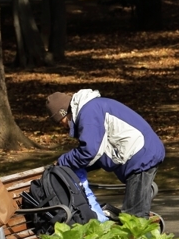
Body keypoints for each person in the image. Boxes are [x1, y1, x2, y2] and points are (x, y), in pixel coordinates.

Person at [46, 89, 165, 218]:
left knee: (134, 218)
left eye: (59, 121)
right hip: (142, 152)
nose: (62, 126)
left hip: (140, 156)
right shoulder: (92, 107)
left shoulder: (88, 112)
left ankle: (142, 234)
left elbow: (89, 151)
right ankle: (138, 200)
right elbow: (99, 152)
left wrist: (62, 162)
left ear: (63, 113)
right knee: (134, 213)